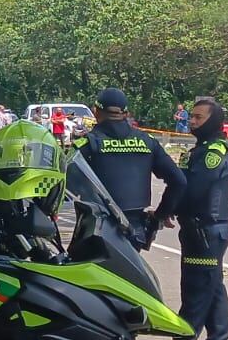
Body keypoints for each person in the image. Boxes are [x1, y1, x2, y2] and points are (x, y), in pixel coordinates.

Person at [150, 97, 228, 340]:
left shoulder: (214, 152)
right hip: (198, 229)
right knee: (213, 288)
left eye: (199, 117)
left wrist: (166, 211)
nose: (193, 122)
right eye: (193, 117)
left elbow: (194, 188)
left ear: (213, 120)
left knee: (196, 290)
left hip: (205, 231)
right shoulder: (199, 150)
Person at [74, 88, 186, 249]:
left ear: (95, 112)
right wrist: (160, 216)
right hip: (136, 228)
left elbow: (64, 182)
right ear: (126, 113)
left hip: (96, 226)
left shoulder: (87, 144)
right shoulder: (147, 141)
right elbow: (179, 181)